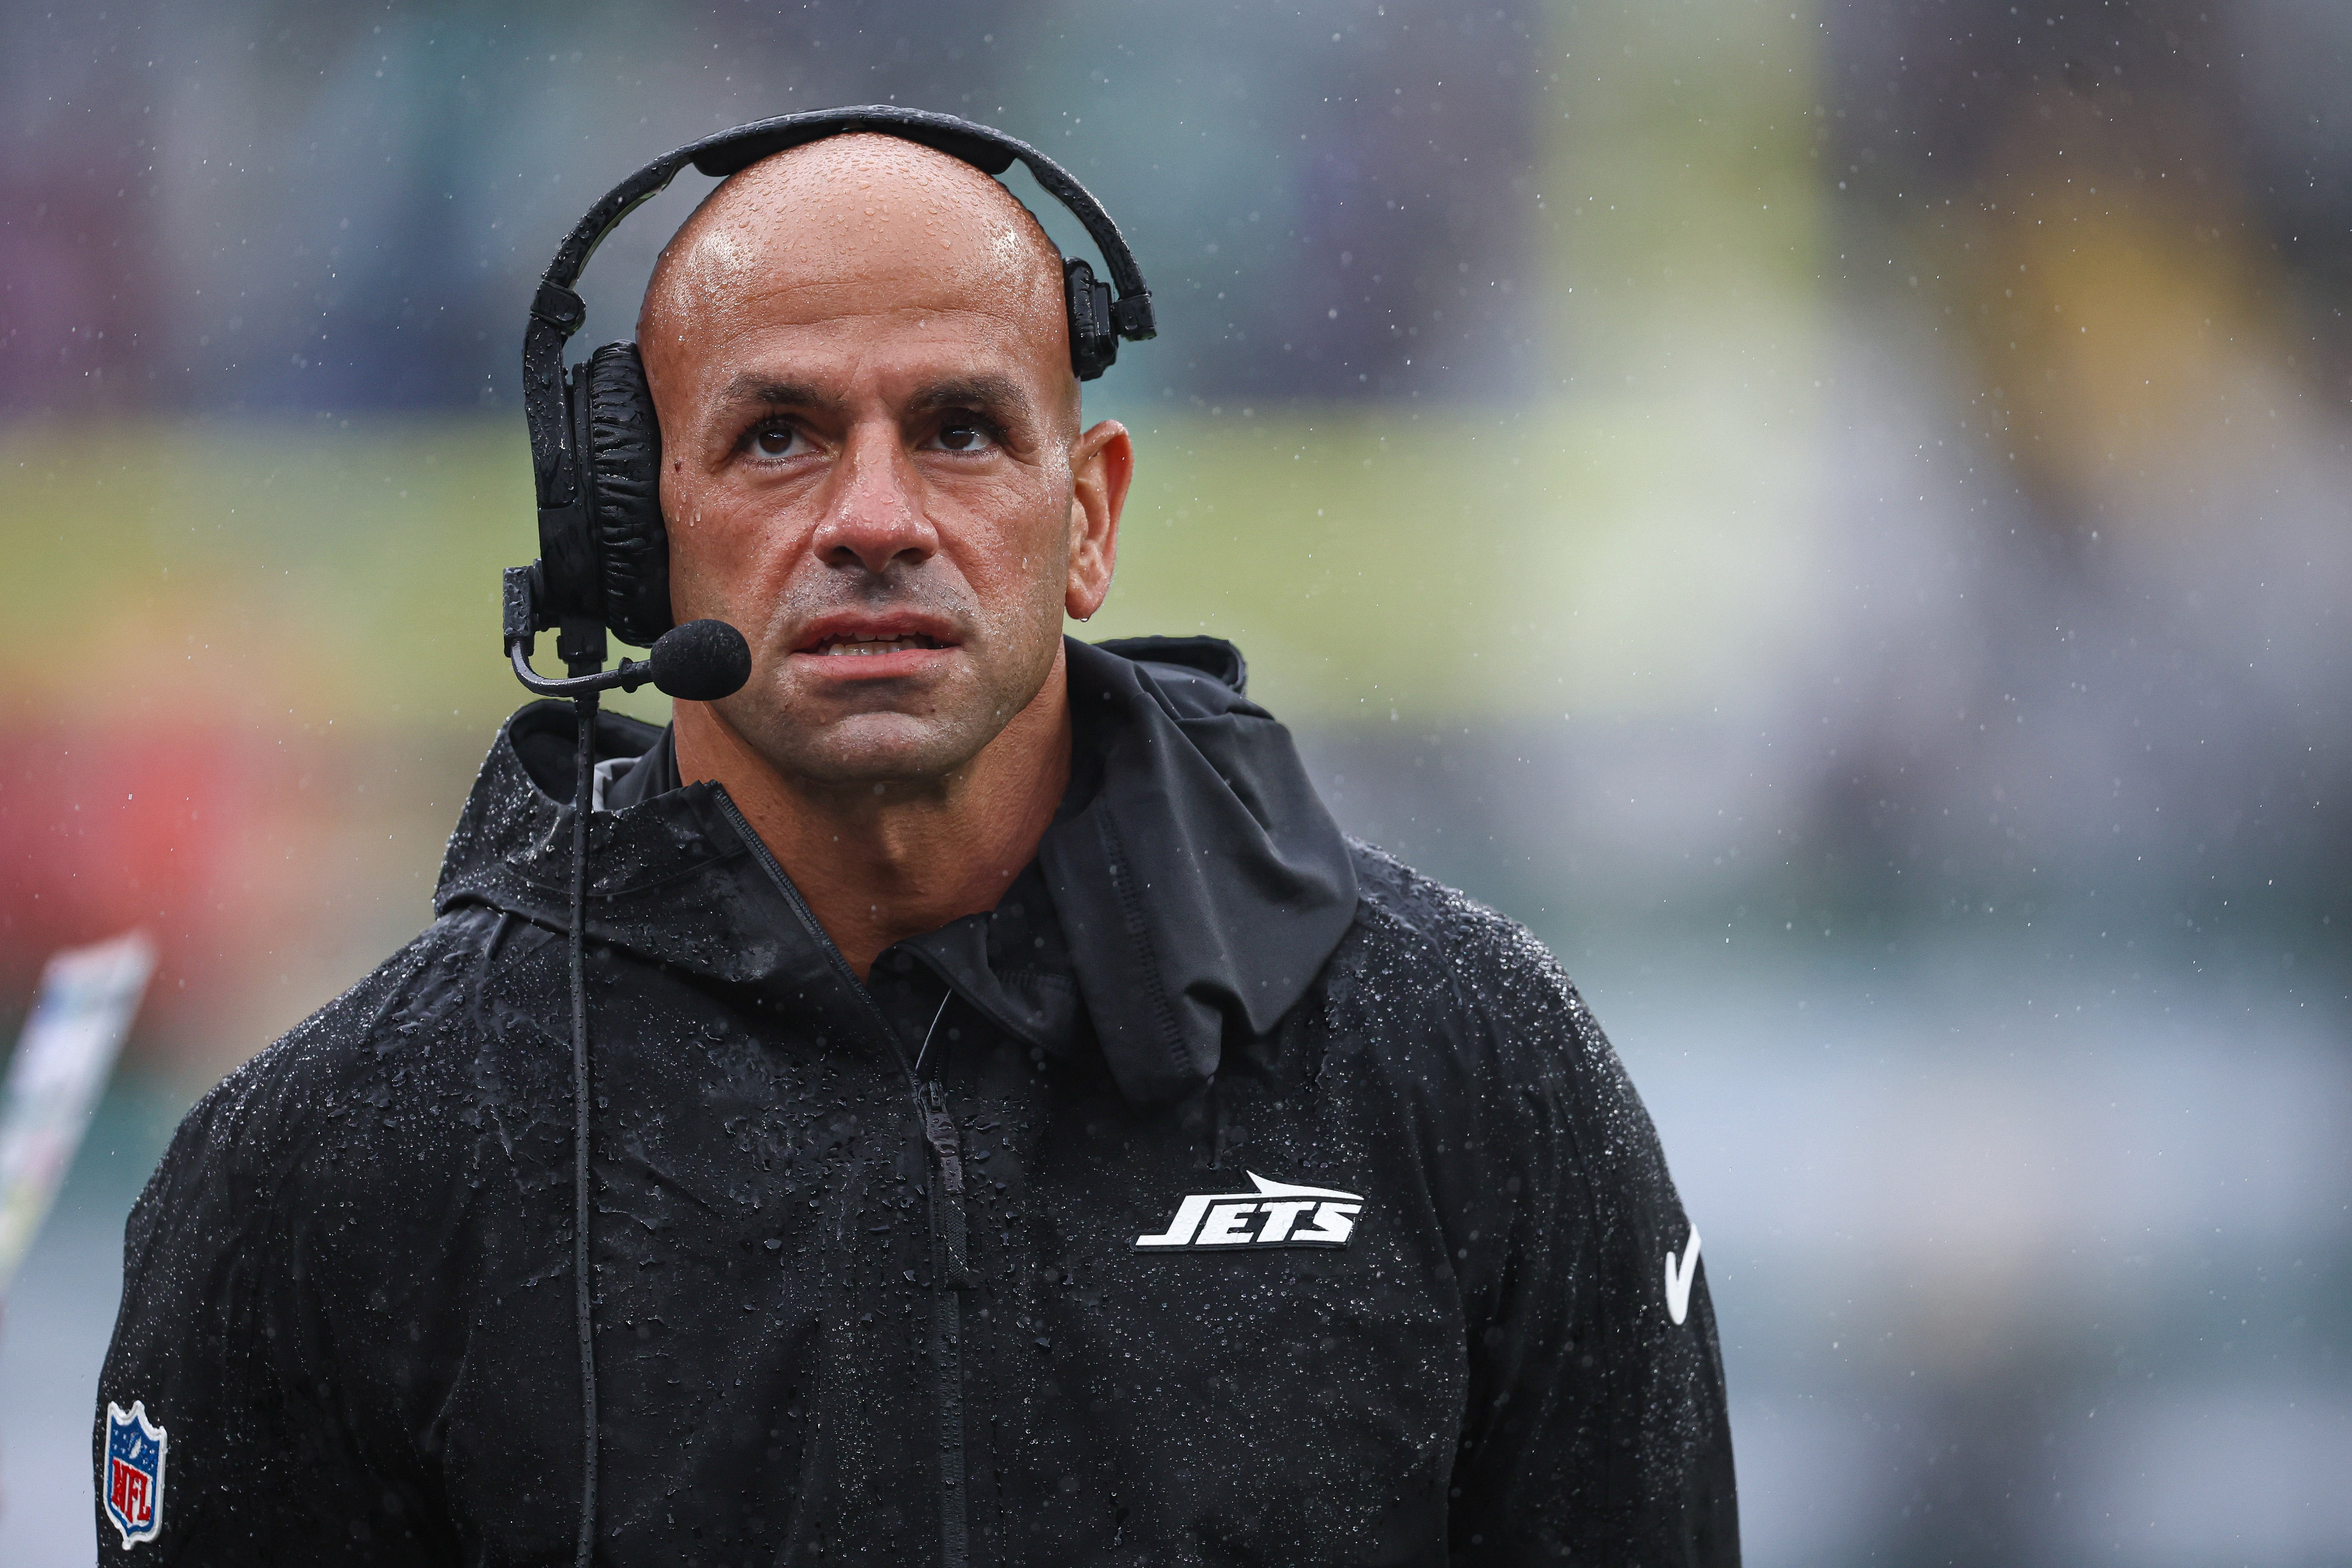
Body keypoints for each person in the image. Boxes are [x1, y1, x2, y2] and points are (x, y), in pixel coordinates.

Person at [97, 124, 1738, 1565]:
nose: (875, 519)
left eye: (959, 429)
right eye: (780, 435)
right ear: (631, 530)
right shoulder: (332, 1166)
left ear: (1087, 517)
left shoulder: (1466, 1067)